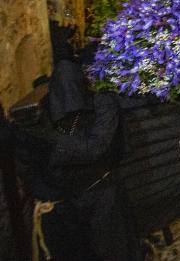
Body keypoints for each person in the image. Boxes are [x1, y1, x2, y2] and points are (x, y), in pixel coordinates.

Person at [8, 60, 142, 260]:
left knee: (116, 249)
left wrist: (47, 140)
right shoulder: (48, 116)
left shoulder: (103, 103)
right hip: (70, 198)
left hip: (103, 191)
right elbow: (36, 165)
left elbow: (93, 148)